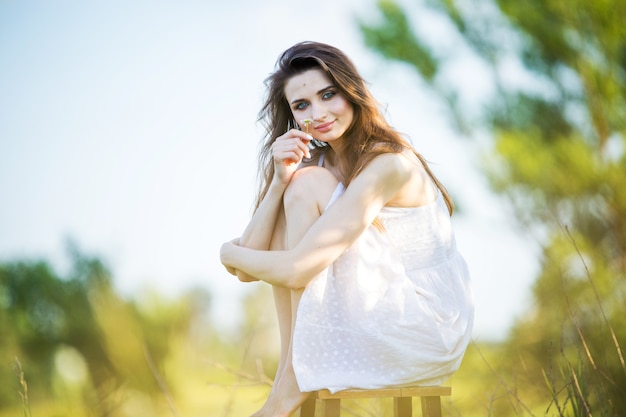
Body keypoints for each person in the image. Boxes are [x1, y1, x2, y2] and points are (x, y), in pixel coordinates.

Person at [220, 41, 473, 417]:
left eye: (328, 95)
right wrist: (278, 183)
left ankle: (289, 382)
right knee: (300, 183)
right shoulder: (315, 165)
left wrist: (226, 251)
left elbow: (290, 269)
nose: (318, 113)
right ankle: (289, 376)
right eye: (302, 105)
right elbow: (248, 268)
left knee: (306, 185)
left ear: (351, 91)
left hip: (426, 327)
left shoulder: (389, 163)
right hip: (374, 308)